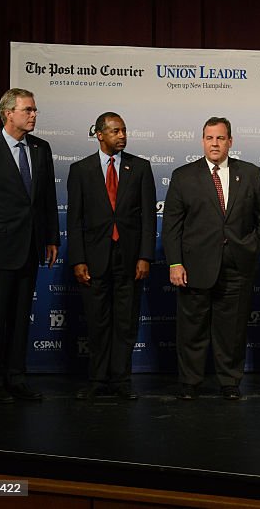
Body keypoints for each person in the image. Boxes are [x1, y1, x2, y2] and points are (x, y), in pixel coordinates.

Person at [163, 117, 260, 401]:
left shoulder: (249, 173)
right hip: (194, 266)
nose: (214, 143)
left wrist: (251, 248)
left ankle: (229, 382)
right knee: (192, 329)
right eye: (209, 138)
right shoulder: (184, 175)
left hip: (237, 266)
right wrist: (175, 262)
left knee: (231, 331)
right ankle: (190, 382)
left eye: (220, 138)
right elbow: (172, 226)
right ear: (202, 141)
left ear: (230, 141)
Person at [0, 88, 59, 404]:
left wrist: (51, 238)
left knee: (20, 319)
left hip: (30, 248)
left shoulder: (41, 149)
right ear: (9, 113)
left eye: (34, 110)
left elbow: (46, 200)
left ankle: (16, 378)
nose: (33, 115)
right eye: (28, 110)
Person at [66, 112, 156, 400]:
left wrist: (145, 256)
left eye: (124, 131)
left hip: (129, 259)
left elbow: (148, 219)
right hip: (94, 259)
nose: (122, 136)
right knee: (97, 322)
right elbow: (75, 220)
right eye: (116, 131)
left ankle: (121, 381)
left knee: (125, 322)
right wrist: (78, 259)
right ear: (100, 134)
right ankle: (97, 380)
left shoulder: (139, 167)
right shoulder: (81, 170)